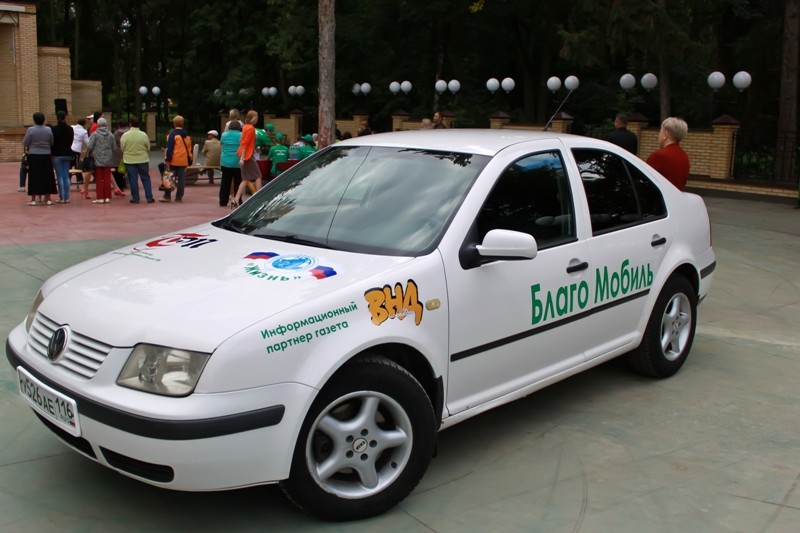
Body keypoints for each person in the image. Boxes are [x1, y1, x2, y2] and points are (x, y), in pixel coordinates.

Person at [646, 117, 691, 191]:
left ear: (665, 134)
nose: (659, 135)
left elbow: (645, 180)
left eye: (660, 131)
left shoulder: (659, 156)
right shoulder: (684, 156)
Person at [22, 112, 56, 206]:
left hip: (34, 155)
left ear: (34, 120)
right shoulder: (48, 129)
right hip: (46, 155)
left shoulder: (31, 130)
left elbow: (25, 143)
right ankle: (48, 198)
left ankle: (33, 199)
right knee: (47, 175)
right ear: (43, 120)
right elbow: (52, 142)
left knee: (34, 176)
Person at [120, 116, 155, 204]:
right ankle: (149, 197)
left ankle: (135, 198)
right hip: (143, 159)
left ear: (130, 124)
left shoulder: (125, 135)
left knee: (133, 179)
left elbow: (122, 148)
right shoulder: (144, 135)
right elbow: (148, 147)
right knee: (145, 177)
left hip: (129, 160)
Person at [232, 110, 261, 207]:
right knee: (258, 176)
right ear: (253, 118)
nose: (257, 119)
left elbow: (243, 141)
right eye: (256, 117)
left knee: (245, 179)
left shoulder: (245, 126)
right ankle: (260, 196)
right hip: (247, 156)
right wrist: (243, 157)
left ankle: (236, 199)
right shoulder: (251, 128)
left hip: (244, 155)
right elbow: (245, 143)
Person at [161, 115, 192, 202]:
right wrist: (190, 159)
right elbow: (189, 149)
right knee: (181, 179)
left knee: (169, 177)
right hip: (183, 160)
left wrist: (167, 159)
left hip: (173, 160)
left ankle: (167, 196)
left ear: (174, 124)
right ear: (182, 124)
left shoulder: (172, 135)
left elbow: (169, 148)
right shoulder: (187, 136)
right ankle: (179, 197)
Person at [86, 117, 117, 204]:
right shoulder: (111, 135)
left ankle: (100, 197)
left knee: (99, 179)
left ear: (98, 125)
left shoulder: (95, 134)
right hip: (108, 159)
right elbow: (114, 147)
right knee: (107, 178)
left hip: (97, 159)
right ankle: (107, 197)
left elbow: (89, 147)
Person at [50, 110, 74, 203]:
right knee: (66, 176)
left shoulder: (54, 129)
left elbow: (52, 142)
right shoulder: (70, 129)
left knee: (59, 176)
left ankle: (62, 197)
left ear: (57, 118)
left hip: (57, 154)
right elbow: (71, 141)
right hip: (67, 153)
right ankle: (67, 197)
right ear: (65, 117)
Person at [219, 120, 242, 207]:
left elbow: (221, 143)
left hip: (225, 161)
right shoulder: (241, 135)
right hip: (237, 161)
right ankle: (238, 200)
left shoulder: (224, 135)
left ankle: (223, 201)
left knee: (225, 181)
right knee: (238, 181)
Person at [111, 118, 129, 196]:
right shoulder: (129, 132)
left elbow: (113, 144)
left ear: (119, 125)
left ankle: (119, 187)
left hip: (117, 155)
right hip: (128, 153)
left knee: (117, 172)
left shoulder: (116, 134)